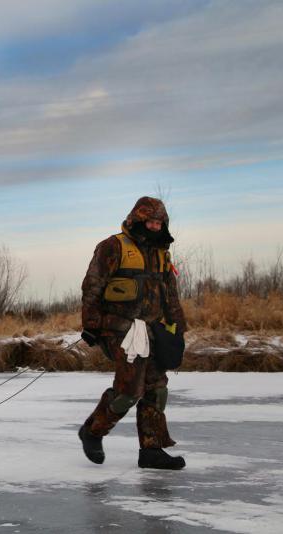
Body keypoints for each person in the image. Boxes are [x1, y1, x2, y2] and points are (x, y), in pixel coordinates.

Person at [78, 196, 187, 470]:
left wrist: (178, 326)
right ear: (137, 219)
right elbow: (91, 287)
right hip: (118, 328)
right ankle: (93, 431)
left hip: (150, 330)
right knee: (129, 391)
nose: (154, 226)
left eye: (158, 222)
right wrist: (91, 326)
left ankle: (151, 450)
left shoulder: (162, 252)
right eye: (149, 221)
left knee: (157, 387)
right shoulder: (112, 247)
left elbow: (170, 292)